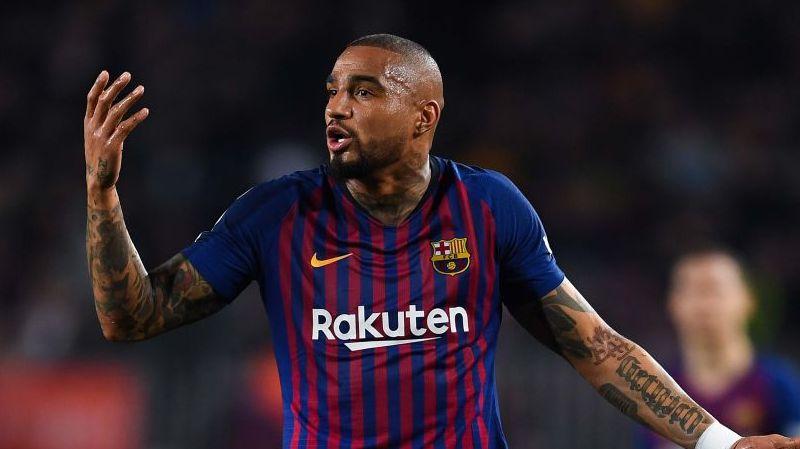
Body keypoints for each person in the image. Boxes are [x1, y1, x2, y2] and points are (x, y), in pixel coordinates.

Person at [83, 33, 800, 449]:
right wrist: (104, 196)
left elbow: (596, 347)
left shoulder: (488, 208)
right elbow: (131, 316)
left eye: (364, 91)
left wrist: (721, 441)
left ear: (423, 116)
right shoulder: (275, 215)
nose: (337, 106)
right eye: (333, 90)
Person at [640, 249, 800, 449]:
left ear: (748, 300)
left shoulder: (778, 385)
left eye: (716, 290)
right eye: (693, 291)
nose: (705, 305)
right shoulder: (655, 391)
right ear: (673, 303)